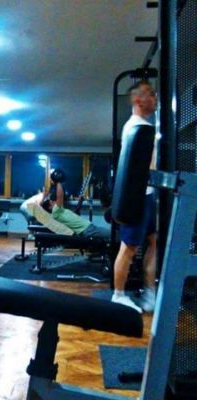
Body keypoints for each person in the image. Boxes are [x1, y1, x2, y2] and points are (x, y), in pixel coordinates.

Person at [111, 80, 158, 313]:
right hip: (137, 198)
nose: (155, 98)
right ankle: (118, 295)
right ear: (137, 99)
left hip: (148, 196)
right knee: (129, 248)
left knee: (154, 241)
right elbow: (143, 167)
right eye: (151, 94)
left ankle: (150, 292)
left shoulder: (144, 127)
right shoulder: (136, 127)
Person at [41, 181, 110, 240]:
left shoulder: (59, 212)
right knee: (113, 235)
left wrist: (80, 202)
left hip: (89, 228)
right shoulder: (55, 212)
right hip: (87, 230)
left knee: (111, 234)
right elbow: (60, 196)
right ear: (50, 207)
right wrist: (58, 181)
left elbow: (75, 214)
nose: (54, 201)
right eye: (52, 202)